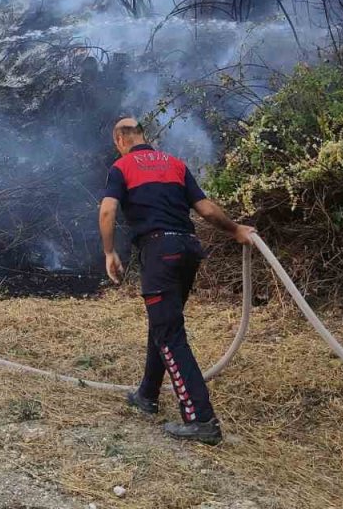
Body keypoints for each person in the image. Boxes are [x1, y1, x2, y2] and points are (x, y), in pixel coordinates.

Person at [99, 117, 255, 444]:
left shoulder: (122, 167)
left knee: (169, 332)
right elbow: (207, 210)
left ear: (119, 138)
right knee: (163, 323)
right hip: (187, 250)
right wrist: (236, 229)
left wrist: (110, 251)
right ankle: (147, 395)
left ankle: (201, 419)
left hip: (159, 252)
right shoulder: (174, 164)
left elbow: (107, 212)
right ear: (144, 135)